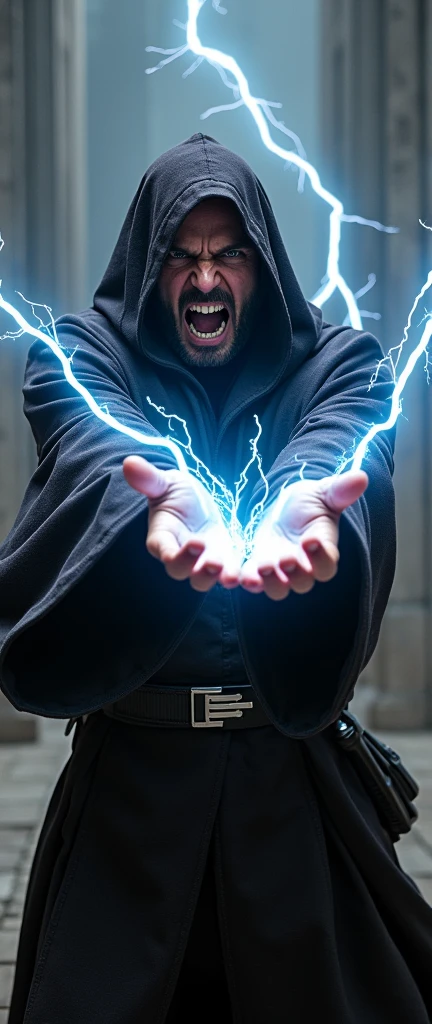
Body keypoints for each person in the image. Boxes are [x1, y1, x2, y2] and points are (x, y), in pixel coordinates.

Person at [0, 133, 431, 1023]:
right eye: (184, 256)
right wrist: (153, 503)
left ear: (262, 262)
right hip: (130, 796)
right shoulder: (81, 353)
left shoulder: (339, 364)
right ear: (149, 264)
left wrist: (302, 506)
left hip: (290, 794)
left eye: (228, 253)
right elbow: (92, 442)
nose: (205, 277)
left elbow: (339, 445)